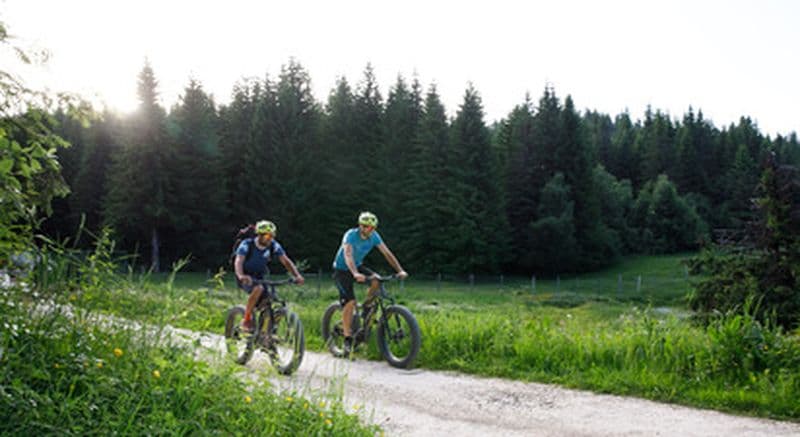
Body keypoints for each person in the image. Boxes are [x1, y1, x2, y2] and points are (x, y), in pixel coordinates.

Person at [332, 211, 408, 356]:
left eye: (373, 228)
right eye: (367, 227)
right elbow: (348, 254)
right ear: (361, 226)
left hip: (358, 266)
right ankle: (347, 339)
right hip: (342, 269)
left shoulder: (374, 237)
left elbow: (387, 253)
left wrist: (400, 270)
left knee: (376, 280)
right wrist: (354, 273)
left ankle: (367, 308)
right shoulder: (350, 235)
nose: (370, 230)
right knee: (350, 302)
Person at [235, 220, 304, 332]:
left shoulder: (273, 245)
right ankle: (246, 319)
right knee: (258, 289)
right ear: (260, 235)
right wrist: (241, 275)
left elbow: (285, 261)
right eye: (267, 236)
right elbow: (239, 261)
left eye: (272, 236)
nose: (270, 238)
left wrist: (297, 275)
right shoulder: (247, 244)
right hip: (246, 277)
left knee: (270, 299)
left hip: (260, 277)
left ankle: (266, 337)